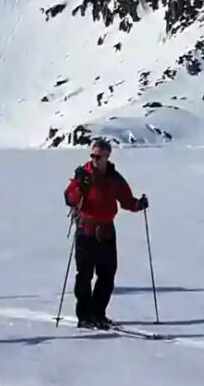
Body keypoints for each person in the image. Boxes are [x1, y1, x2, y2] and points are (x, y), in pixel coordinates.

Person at [62, 137, 147, 330]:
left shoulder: (114, 178)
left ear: (107, 156)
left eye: (98, 156)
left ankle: (98, 314)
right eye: (92, 155)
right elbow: (69, 198)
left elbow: (126, 200)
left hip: (107, 232)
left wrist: (138, 204)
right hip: (85, 231)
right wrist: (79, 187)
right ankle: (84, 316)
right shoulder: (83, 175)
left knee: (107, 275)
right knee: (84, 276)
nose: (94, 159)